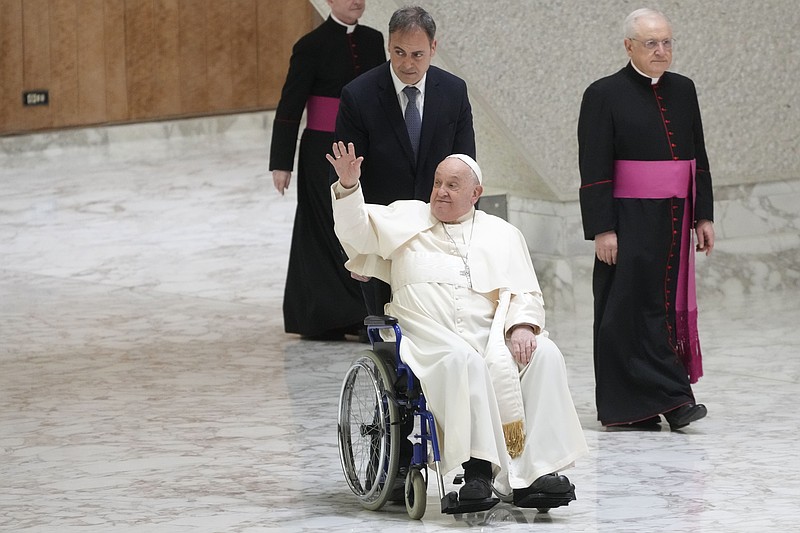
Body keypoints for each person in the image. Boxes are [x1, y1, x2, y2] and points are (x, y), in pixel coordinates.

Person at [328, 141, 587, 508]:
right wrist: (350, 186)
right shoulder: (407, 218)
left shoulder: (503, 234)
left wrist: (523, 327)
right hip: (427, 335)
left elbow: (525, 291)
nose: (441, 192)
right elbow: (356, 232)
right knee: (464, 362)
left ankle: (534, 474)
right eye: (437, 183)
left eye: (452, 185)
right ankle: (478, 471)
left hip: (492, 334)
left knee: (544, 353)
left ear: (476, 193)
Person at [577, 8, 715, 430]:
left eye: (667, 42)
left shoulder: (683, 89)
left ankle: (662, 399)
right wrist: (603, 228)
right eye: (651, 43)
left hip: (675, 217)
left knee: (662, 307)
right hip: (628, 220)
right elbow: (594, 163)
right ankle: (657, 403)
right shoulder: (603, 93)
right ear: (629, 46)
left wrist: (703, 215)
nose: (661, 51)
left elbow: (698, 156)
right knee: (628, 310)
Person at [334, 5, 476, 316]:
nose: (407, 64)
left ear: (433, 48)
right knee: (389, 336)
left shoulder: (454, 92)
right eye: (399, 52)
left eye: (417, 54)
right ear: (388, 45)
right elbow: (346, 178)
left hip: (440, 234)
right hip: (383, 239)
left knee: (442, 326)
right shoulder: (358, 96)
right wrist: (357, 249)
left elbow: (467, 167)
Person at [269, 0, 385, 340]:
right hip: (321, 150)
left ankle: (364, 311)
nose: (356, 1)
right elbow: (290, 105)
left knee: (361, 224)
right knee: (326, 229)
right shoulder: (310, 46)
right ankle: (330, 316)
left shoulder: (373, 39)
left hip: (363, 148)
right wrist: (281, 162)